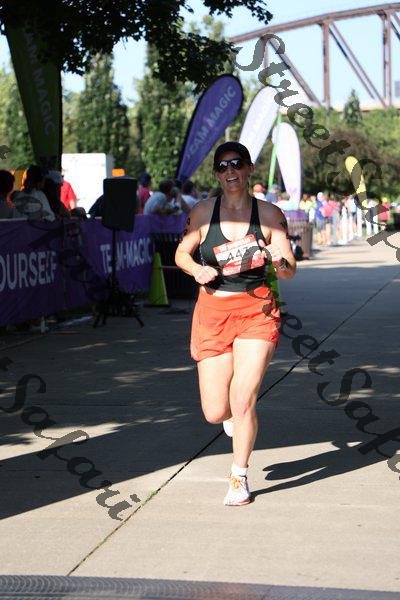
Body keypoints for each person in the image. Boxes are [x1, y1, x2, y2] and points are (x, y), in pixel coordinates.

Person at [175, 141, 296, 506]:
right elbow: (181, 253)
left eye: (237, 164)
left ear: (249, 169)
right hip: (212, 313)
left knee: (243, 400)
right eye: (223, 166)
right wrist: (196, 269)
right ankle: (231, 416)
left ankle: (238, 477)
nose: (230, 171)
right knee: (216, 411)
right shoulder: (202, 213)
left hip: (257, 312)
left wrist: (278, 259)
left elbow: (289, 270)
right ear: (216, 173)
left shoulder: (270, 215)